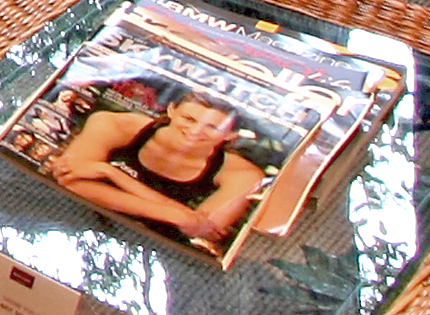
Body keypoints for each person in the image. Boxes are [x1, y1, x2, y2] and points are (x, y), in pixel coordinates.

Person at [49, 86, 269, 250]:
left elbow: (200, 230)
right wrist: (173, 215)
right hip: (79, 212)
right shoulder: (114, 123)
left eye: (213, 127)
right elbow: (70, 181)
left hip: (158, 245)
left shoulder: (244, 175)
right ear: (172, 110)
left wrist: (111, 173)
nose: (194, 132)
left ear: (230, 135)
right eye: (188, 118)